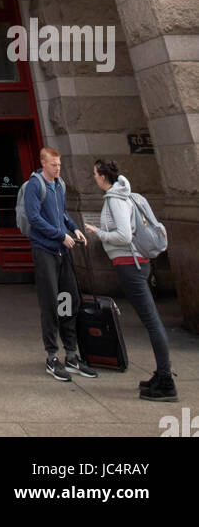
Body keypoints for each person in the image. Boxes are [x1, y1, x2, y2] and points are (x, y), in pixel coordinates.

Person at [85, 160, 177, 402]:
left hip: (131, 265)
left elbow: (125, 235)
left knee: (152, 321)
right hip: (137, 263)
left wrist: (99, 233)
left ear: (103, 176)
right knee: (151, 320)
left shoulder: (115, 199)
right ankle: (161, 375)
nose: (94, 177)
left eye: (95, 173)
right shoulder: (130, 195)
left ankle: (166, 380)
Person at [25, 146, 96, 382]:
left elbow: (62, 213)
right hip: (45, 251)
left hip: (63, 251)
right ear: (43, 163)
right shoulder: (35, 186)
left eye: (59, 165)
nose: (58, 168)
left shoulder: (60, 185)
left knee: (68, 299)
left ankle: (72, 353)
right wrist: (59, 235)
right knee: (50, 302)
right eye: (54, 164)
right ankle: (52, 355)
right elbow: (34, 218)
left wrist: (74, 228)